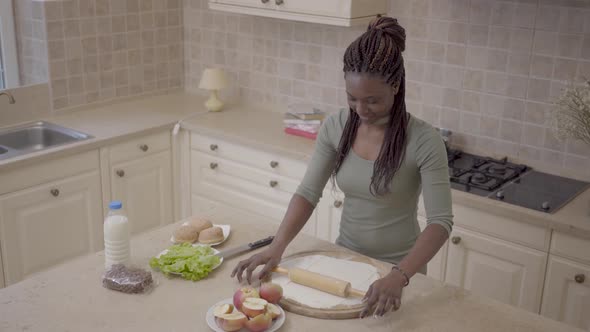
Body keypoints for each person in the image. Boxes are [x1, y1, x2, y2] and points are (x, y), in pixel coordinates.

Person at [231, 16, 453, 318]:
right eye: (352, 98)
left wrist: (400, 276)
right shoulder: (336, 126)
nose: (360, 110)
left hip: (399, 274)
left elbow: (440, 223)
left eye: (372, 101)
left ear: (397, 86)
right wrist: (276, 246)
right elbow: (308, 193)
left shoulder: (425, 141)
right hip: (343, 261)